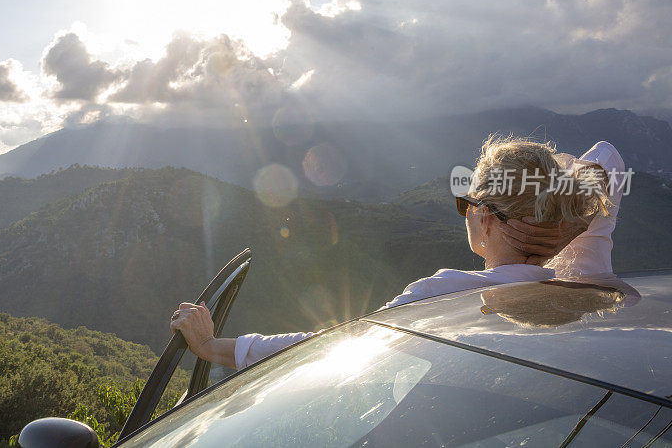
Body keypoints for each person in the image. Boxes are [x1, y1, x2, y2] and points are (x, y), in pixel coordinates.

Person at [171, 137, 627, 371]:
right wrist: (554, 200)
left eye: (464, 204)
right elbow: (609, 157)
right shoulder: (586, 276)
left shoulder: (445, 293)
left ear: (485, 217)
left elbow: (331, 349)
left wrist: (211, 347)